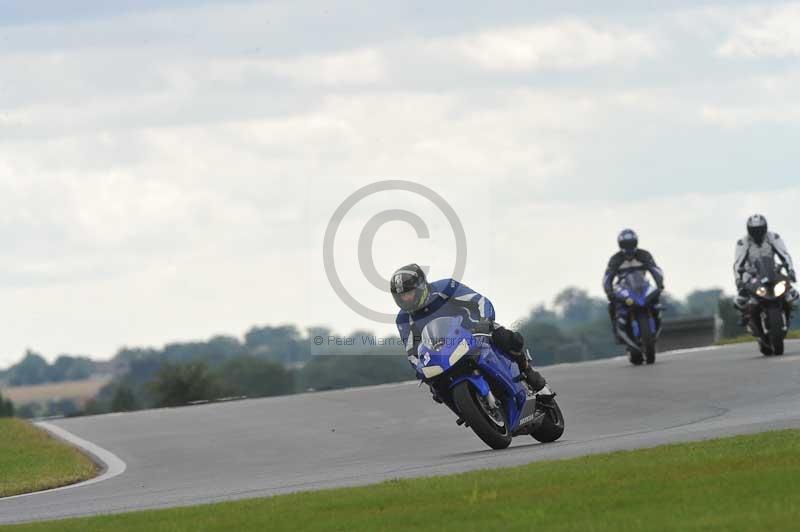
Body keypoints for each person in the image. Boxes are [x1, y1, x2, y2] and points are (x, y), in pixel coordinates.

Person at [391, 263, 547, 393]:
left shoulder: (445, 288)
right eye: (401, 296)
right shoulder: (403, 319)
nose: (406, 299)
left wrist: (485, 322)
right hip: (443, 351)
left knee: (506, 338)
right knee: (435, 388)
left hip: (476, 331)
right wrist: (419, 366)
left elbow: (480, 301)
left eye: (409, 293)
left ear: (420, 287)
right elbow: (412, 351)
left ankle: (527, 371)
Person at [603, 229, 665, 344]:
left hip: (642, 286)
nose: (629, 247)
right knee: (612, 305)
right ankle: (616, 332)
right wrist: (609, 291)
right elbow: (607, 277)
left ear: (636, 243)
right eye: (626, 244)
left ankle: (657, 319)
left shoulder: (644, 255)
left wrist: (659, 284)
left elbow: (655, 270)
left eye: (631, 243)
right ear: (620, 245)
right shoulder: (615, 259)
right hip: (624, 289)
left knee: (656, 299)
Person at [733, 214, 797, 321]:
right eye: (754, 230)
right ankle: (746, 316)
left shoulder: (773, 237)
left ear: (765, 228)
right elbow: (737, 264)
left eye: (760, 229)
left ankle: (787, 309)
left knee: (792, 293)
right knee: (740, 300)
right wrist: (738, 280)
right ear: (749, 230)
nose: (757, 233)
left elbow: (785, 255)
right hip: (751, 274)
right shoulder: (743, 242)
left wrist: (790, 270)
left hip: (772, 271)